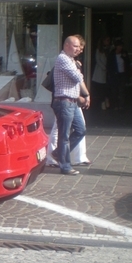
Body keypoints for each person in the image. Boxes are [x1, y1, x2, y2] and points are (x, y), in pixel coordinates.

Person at [47, 35, 91, 167]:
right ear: (67, 46)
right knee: (62, 134)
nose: (78, 49)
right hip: (64, 101)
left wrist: (86, 95)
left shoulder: (71, 60)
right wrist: (78, 68)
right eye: (76, 46)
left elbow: (78, 81)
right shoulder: (63, 59)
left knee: (80, 130)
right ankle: (64, 165)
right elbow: (78, 77)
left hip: (72, 101)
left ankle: (58, 154)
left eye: (79, 47)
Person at [106, 39, 129, 110]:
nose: (120, 48)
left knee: (122, 90)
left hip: (122, 74)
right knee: (114, 90)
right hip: (115, 74)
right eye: (119, 46)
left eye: (121, 46)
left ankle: (121, 105)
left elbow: (127, 63)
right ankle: (115, 105)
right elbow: (109, 64)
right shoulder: (112, 54)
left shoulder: (124, 53)